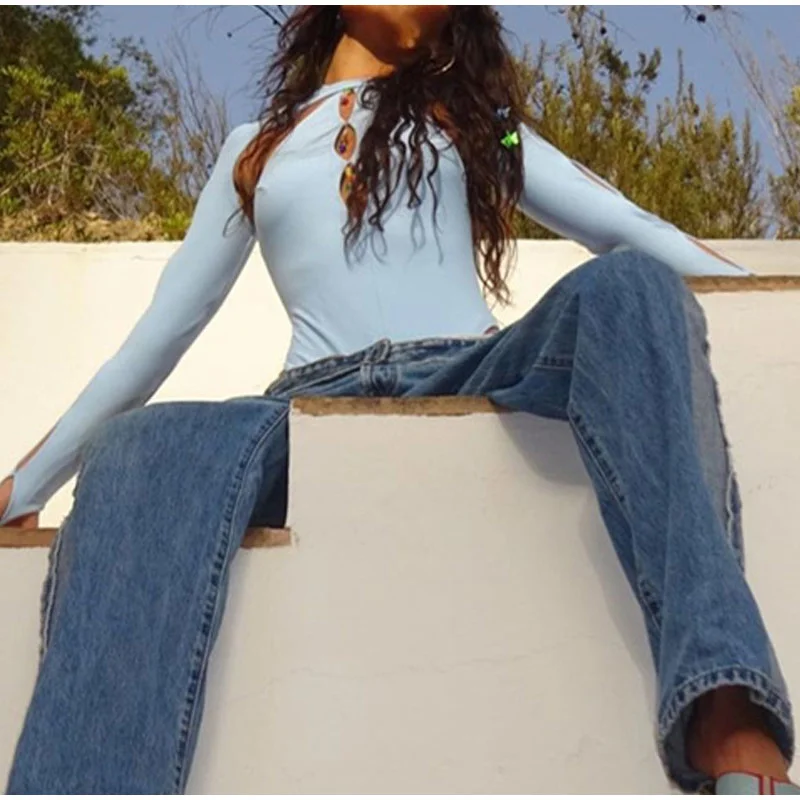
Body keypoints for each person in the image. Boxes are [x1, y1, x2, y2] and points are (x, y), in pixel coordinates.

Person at [1, 5, 795, 794]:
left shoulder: (483, 124)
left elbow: (622, 224)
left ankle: (726, 708)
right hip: (304, 398)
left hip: (465, 365)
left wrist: (772, 293)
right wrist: (24, 486)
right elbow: (159, 335)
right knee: (139, 446)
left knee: (632, 286)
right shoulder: (253, 151)